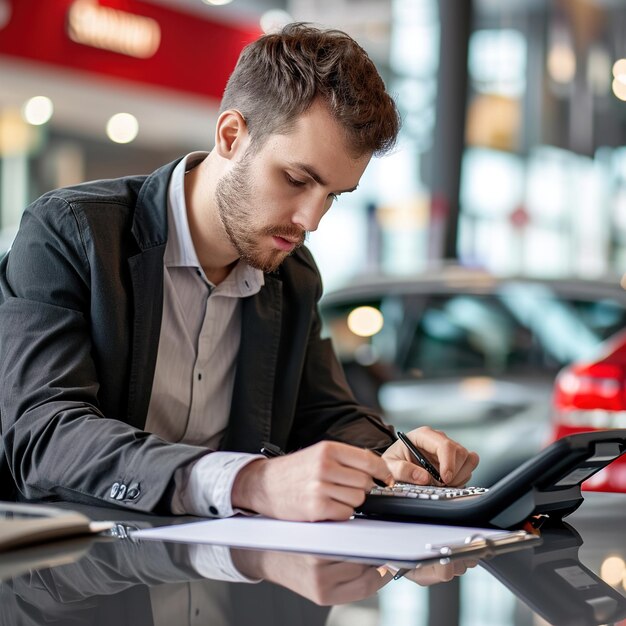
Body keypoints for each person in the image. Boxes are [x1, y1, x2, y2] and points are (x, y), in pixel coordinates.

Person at [0, 23, 478, 521]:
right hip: (79, 575)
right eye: (296, 179)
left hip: (228, 578)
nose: (310, 220)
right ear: (231, 136)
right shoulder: (70, 232)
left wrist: (393, 456)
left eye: (333, 196)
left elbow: (322, 413)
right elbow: (44, 434)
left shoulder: (292, 275)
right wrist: (248, 482)